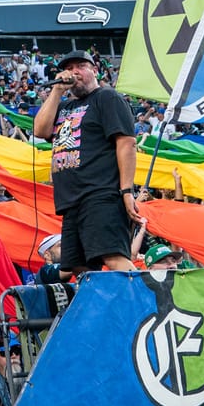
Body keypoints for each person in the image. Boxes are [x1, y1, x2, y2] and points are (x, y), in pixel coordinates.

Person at [32, 50, 138, 275]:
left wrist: (127, 191)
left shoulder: (107, 97)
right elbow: (39, 130)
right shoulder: (63, 107)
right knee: (79, 268)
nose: (74, 72)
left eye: (80, 66)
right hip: (71, 202)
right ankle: (104, 309)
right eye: (69, 68)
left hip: (100, 194)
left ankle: (148, 306)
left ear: (95, 70)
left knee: (113, 257)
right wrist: (57, 90)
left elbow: (126, 142)